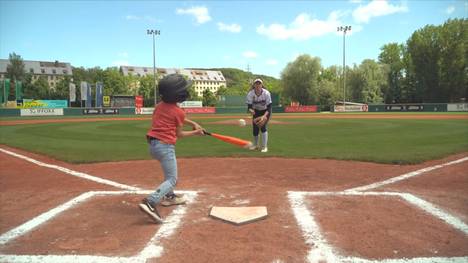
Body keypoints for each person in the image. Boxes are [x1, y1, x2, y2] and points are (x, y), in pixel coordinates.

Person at [139, 74, 204, 224]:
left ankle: (170, 197)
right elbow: (179, 134)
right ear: (178, 93)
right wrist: (196, 132)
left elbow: (176, 117)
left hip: (153, 145)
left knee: (168, 174)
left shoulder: (159, 106)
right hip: (165, 147)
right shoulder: (178, 111)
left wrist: (192, 122)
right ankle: (150, 202)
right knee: (172, 179)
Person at [246, 78, 272, 153]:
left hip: (265, 111)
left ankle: (264, 147)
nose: (258, 85)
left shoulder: (266, 93)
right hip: (256, 112)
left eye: (259, 84)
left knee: (263, 127)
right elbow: (249, 106)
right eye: (256, 84)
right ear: (254, 85)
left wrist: (264, 116)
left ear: (262, 85)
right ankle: (255, 145)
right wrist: (251, 110)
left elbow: (269, 107)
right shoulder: (250, 94)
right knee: (255, 129)